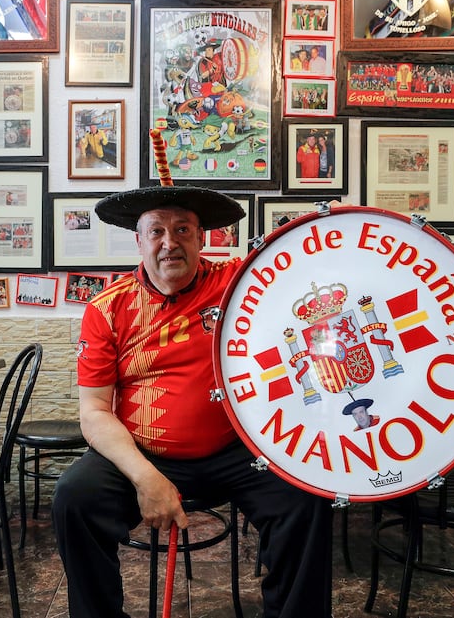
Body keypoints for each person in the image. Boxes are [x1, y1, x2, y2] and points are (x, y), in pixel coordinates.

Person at [53, 185, 332, 618]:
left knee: (307, 498)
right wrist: (147, 479)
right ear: (139, 241)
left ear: (202, 238)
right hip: (142, 453)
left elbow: (304, 268)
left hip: (238, 450)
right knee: (74, 497)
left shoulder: (242, 284)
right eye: (157, 231)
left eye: (182, 229)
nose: (170, 242)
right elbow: (93, 411)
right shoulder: (107, 308)